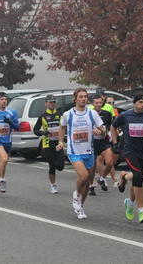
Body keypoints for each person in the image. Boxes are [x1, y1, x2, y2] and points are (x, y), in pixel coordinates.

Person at [111, 94, 143, 224]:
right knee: (139, 177)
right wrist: (115, 143)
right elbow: (113, 126)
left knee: (136, 179)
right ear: (134, 103)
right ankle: (141, 212)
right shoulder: (126, 115)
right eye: (140, 102)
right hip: (130, 151)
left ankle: (130, 202)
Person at [57, 88, 105, 219]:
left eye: (85, 96)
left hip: (89, 151)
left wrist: (100, 131)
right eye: (81, 96)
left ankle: (81, 207)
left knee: (88, 183)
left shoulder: (92, 113)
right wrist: (61, 141)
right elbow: (62, 127)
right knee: (83, 177)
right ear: (75, 99)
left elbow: (103, 128)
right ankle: (76, 194)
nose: (83, 99)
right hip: (74, 152)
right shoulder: (68, 114)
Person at [33, 94, 64, 194]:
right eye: (50, 102)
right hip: (47, 145)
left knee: (60, 166)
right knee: (52, 166)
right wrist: (43, 132)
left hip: (58, 144)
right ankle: (53, 185)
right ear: (46, 103)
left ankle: (54, 177)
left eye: (54, 102)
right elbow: (35, 130)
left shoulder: (60, 114)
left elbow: (65, 127)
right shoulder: (42, 116)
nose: (52, 104)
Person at [89, 94, 114, 196]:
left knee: (110, 162)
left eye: (100, 103)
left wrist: (110, 134)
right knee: (92, 166)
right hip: (92, 142)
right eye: (96, 103)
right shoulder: (88, 114)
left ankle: (102, 178)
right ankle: (91, 186)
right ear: (92, 104)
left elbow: (110, 126)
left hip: (103, 141)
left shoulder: (107, 113)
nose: (99, 105)